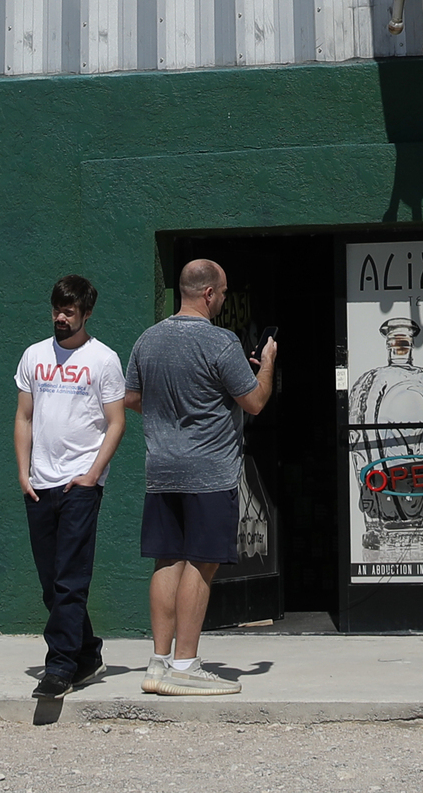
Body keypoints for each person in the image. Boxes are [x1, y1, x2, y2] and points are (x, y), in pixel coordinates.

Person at [123, 258, 276, 695]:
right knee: (201, 564)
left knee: (166, 558)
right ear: (208, 294)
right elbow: (255, 402)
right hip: (210, 469)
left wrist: (168, 415)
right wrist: (265, 363)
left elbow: (132, 397)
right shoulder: (221, 342)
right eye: (224, 292)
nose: (224, 300)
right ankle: (186, 666)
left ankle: (159, 662)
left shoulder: (147, 339)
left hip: (162, 467)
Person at [17, 274, 126, 699]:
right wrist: (23, 471)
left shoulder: (103, 360)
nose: (61, 318)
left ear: (86, 313)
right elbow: (24, 416)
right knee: (50, 582)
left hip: (81, 482)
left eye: (69, 311)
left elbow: (116, 422)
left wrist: (93, 474)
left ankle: (59, 666)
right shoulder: (34, 355)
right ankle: (87, 651)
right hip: (38, 483)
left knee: (70, 579)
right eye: (57, 309)